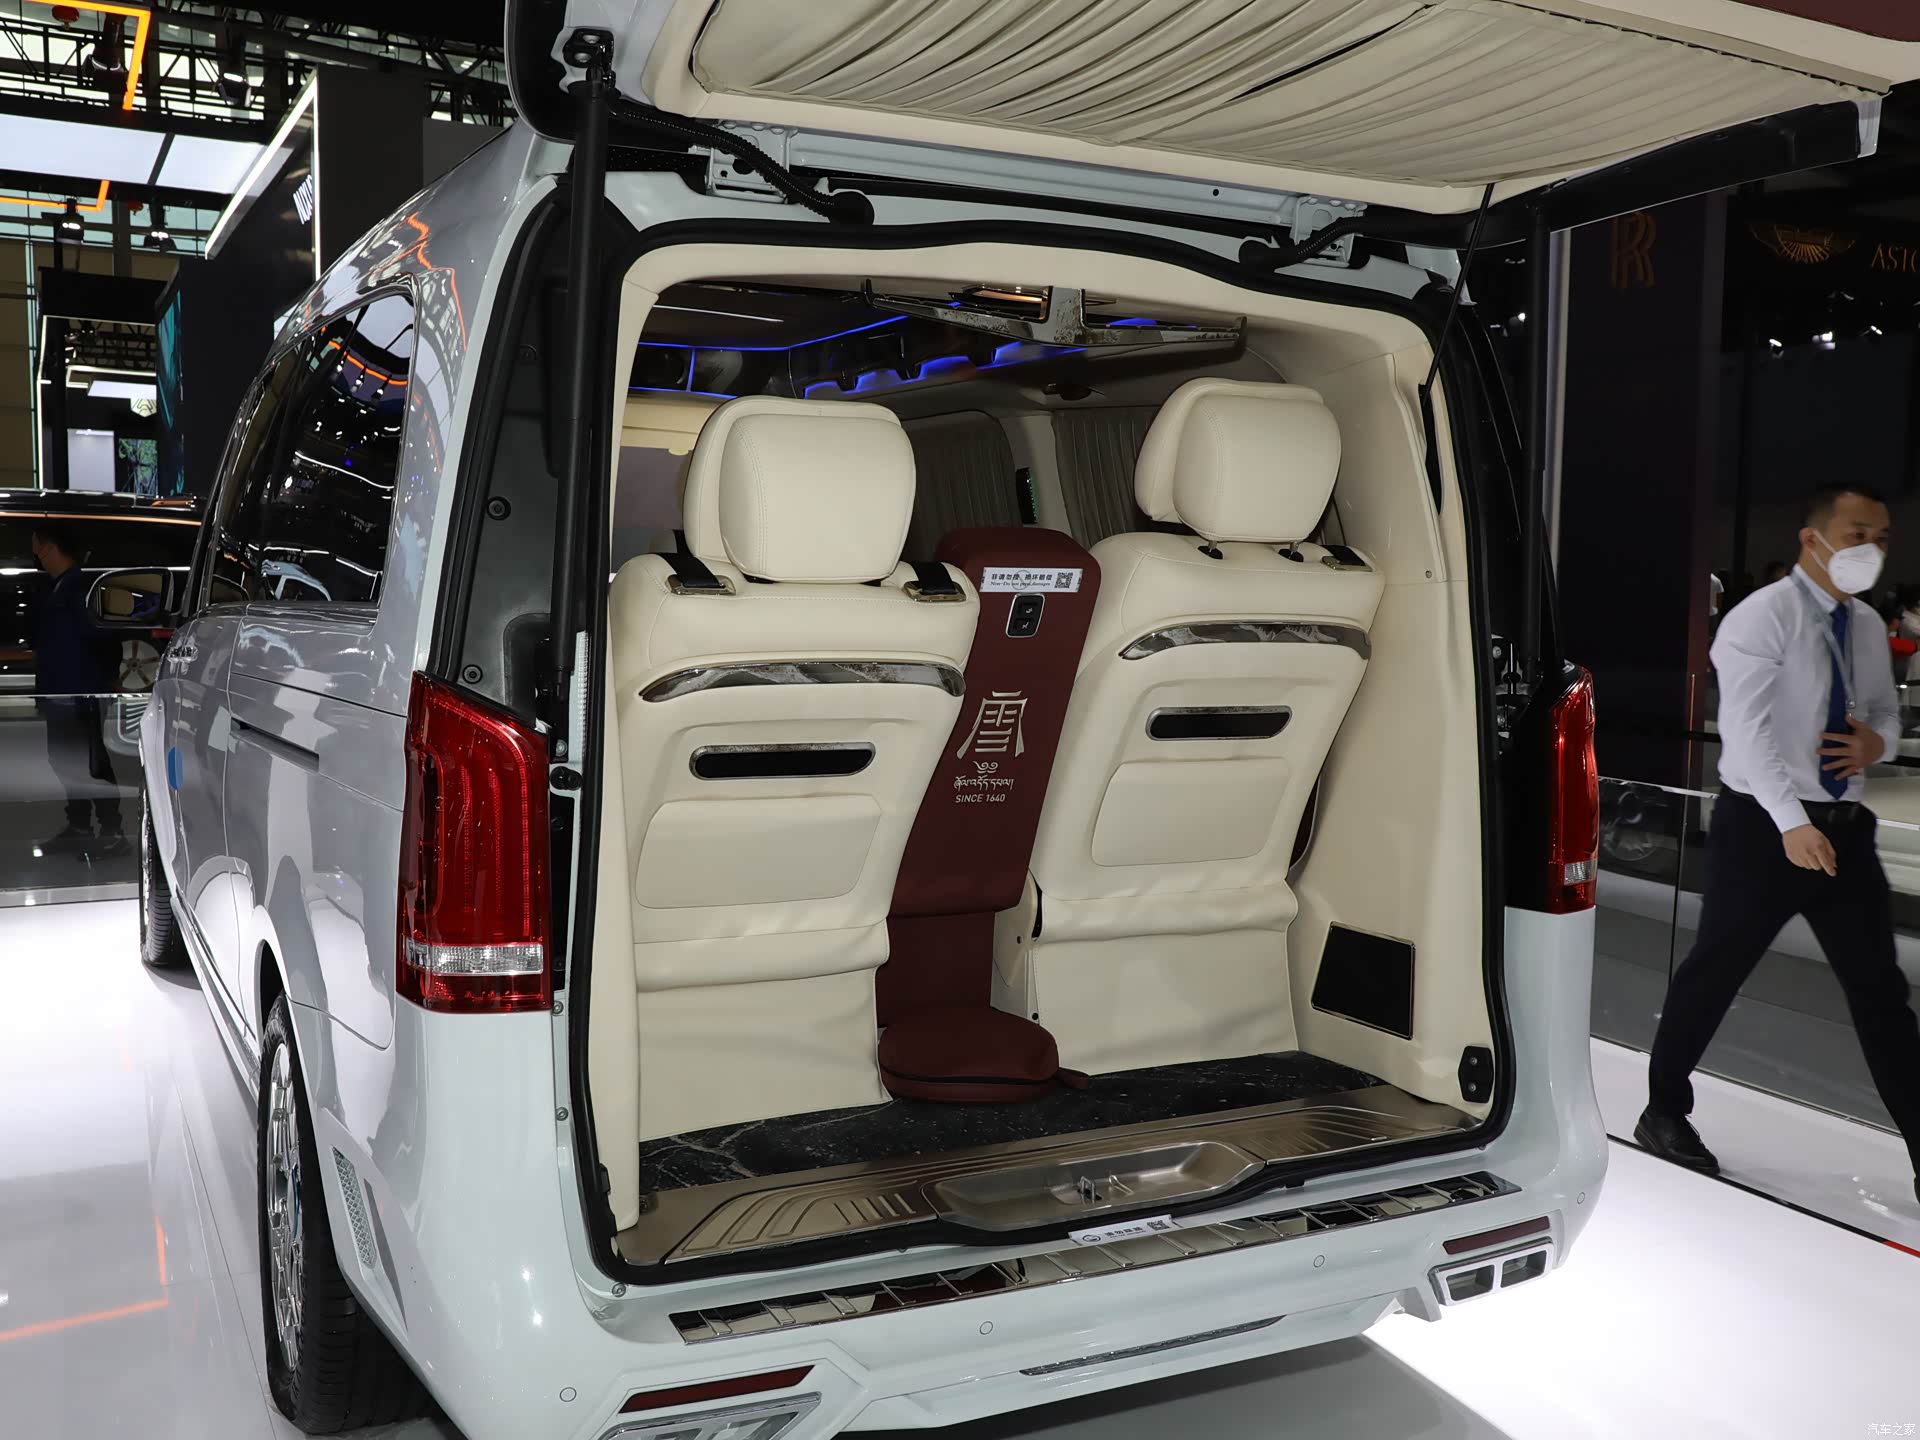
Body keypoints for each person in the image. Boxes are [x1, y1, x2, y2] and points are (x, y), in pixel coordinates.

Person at [1637, 483, 1920, 1205]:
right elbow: (1747, 733)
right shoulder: (1761, 617)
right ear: (1812, 538)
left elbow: (1883, 710)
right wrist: (1791, 822)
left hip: (1844, 832)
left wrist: (1877, 743)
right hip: (1764, 830)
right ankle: (1663, 1111)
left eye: (1882, 538)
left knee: (1882, 995)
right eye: (1858, 533)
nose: (1871, 549)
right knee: (1714, 973)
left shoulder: (1864, 624)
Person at [29, 521, 128, 858]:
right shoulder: (62, 587)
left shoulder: (79, 588)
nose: (33, 551)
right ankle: (80, 826)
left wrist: (104, 680)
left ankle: (112, 831)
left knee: (92, 763)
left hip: (81, 694)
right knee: (66, 761)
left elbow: (105, 637)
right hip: (62, 693)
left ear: (47, 545)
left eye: (35, 542)